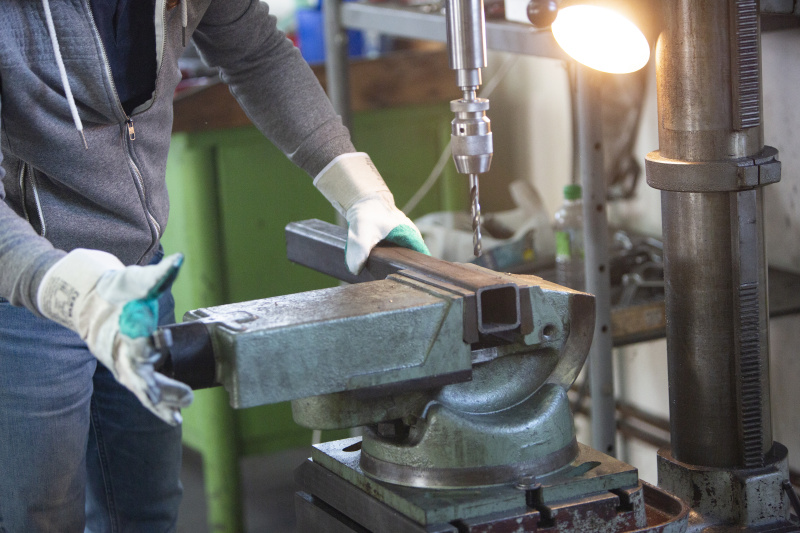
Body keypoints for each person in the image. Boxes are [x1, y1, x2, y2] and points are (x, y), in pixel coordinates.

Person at [0, 0, 428, 531]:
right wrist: (66, 290)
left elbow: (257, 54)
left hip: (137, 280)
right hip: (24, 293)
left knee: (145, 511)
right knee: (38, 518)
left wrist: (358, 189)